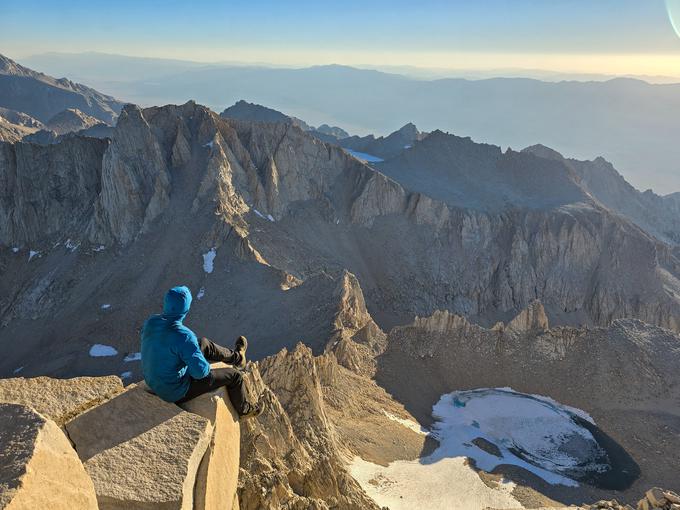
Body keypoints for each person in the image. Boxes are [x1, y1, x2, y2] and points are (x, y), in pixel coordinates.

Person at [140, 285, 263, 418]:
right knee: (235, 376)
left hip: (153, 381)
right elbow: (200, 373)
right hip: (174, 391)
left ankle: (237, 358)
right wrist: (199, 361)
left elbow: (162, 345)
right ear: (186, 309)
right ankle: (245, 410)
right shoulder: (184, 336)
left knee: (203, 343)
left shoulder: (151, 322)